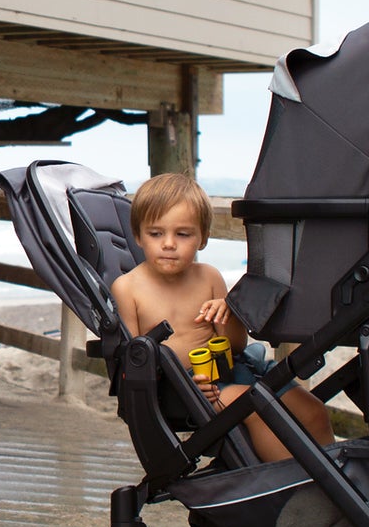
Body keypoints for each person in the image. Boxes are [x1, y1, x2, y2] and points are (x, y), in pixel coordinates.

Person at [107, 172, 334, 459]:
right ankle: (290, 484)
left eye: (183, 234)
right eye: (156, 233)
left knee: (313, 409)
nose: (168, 244)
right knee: (254, 406)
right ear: (138, 235)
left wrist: (228, 315)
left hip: (234, 369)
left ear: (203, 238)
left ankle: (336, 483)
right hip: (183, 391)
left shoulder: (209, 277)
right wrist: (183, 386)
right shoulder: (128, 288)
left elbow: (236, 346)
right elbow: (134, 364)